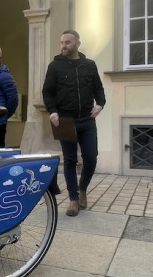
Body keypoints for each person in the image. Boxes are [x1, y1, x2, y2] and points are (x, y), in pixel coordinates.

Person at [42, 30, 106, 217]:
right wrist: (52, 111)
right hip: (64, 119)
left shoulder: (89, 65)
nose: (63, 46)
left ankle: (83, 188)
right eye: (62, 42)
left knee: (91, 157)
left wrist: (101, 104)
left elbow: (98, 88)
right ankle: (73, 199)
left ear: (78, 43)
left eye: (68, 42)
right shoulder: (54, 66)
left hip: (87, 119)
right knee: (69, 161)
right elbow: (47, 92)